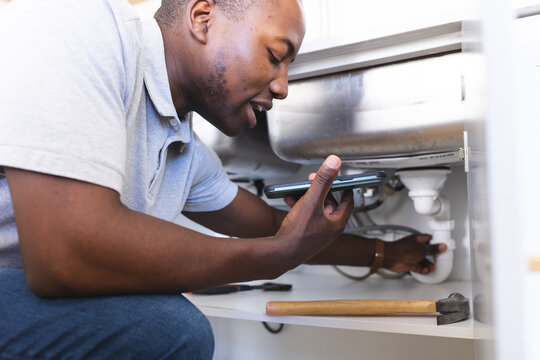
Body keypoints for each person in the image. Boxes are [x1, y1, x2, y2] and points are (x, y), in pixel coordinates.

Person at [0, 0, 446, 358]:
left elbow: (275, 227)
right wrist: (269, 258)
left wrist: (385, 252)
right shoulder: (77, 20)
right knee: (171, 329)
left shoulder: (181, 149)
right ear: (202, 17)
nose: (283, 86)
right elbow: (67, 254)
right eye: (275, 56)